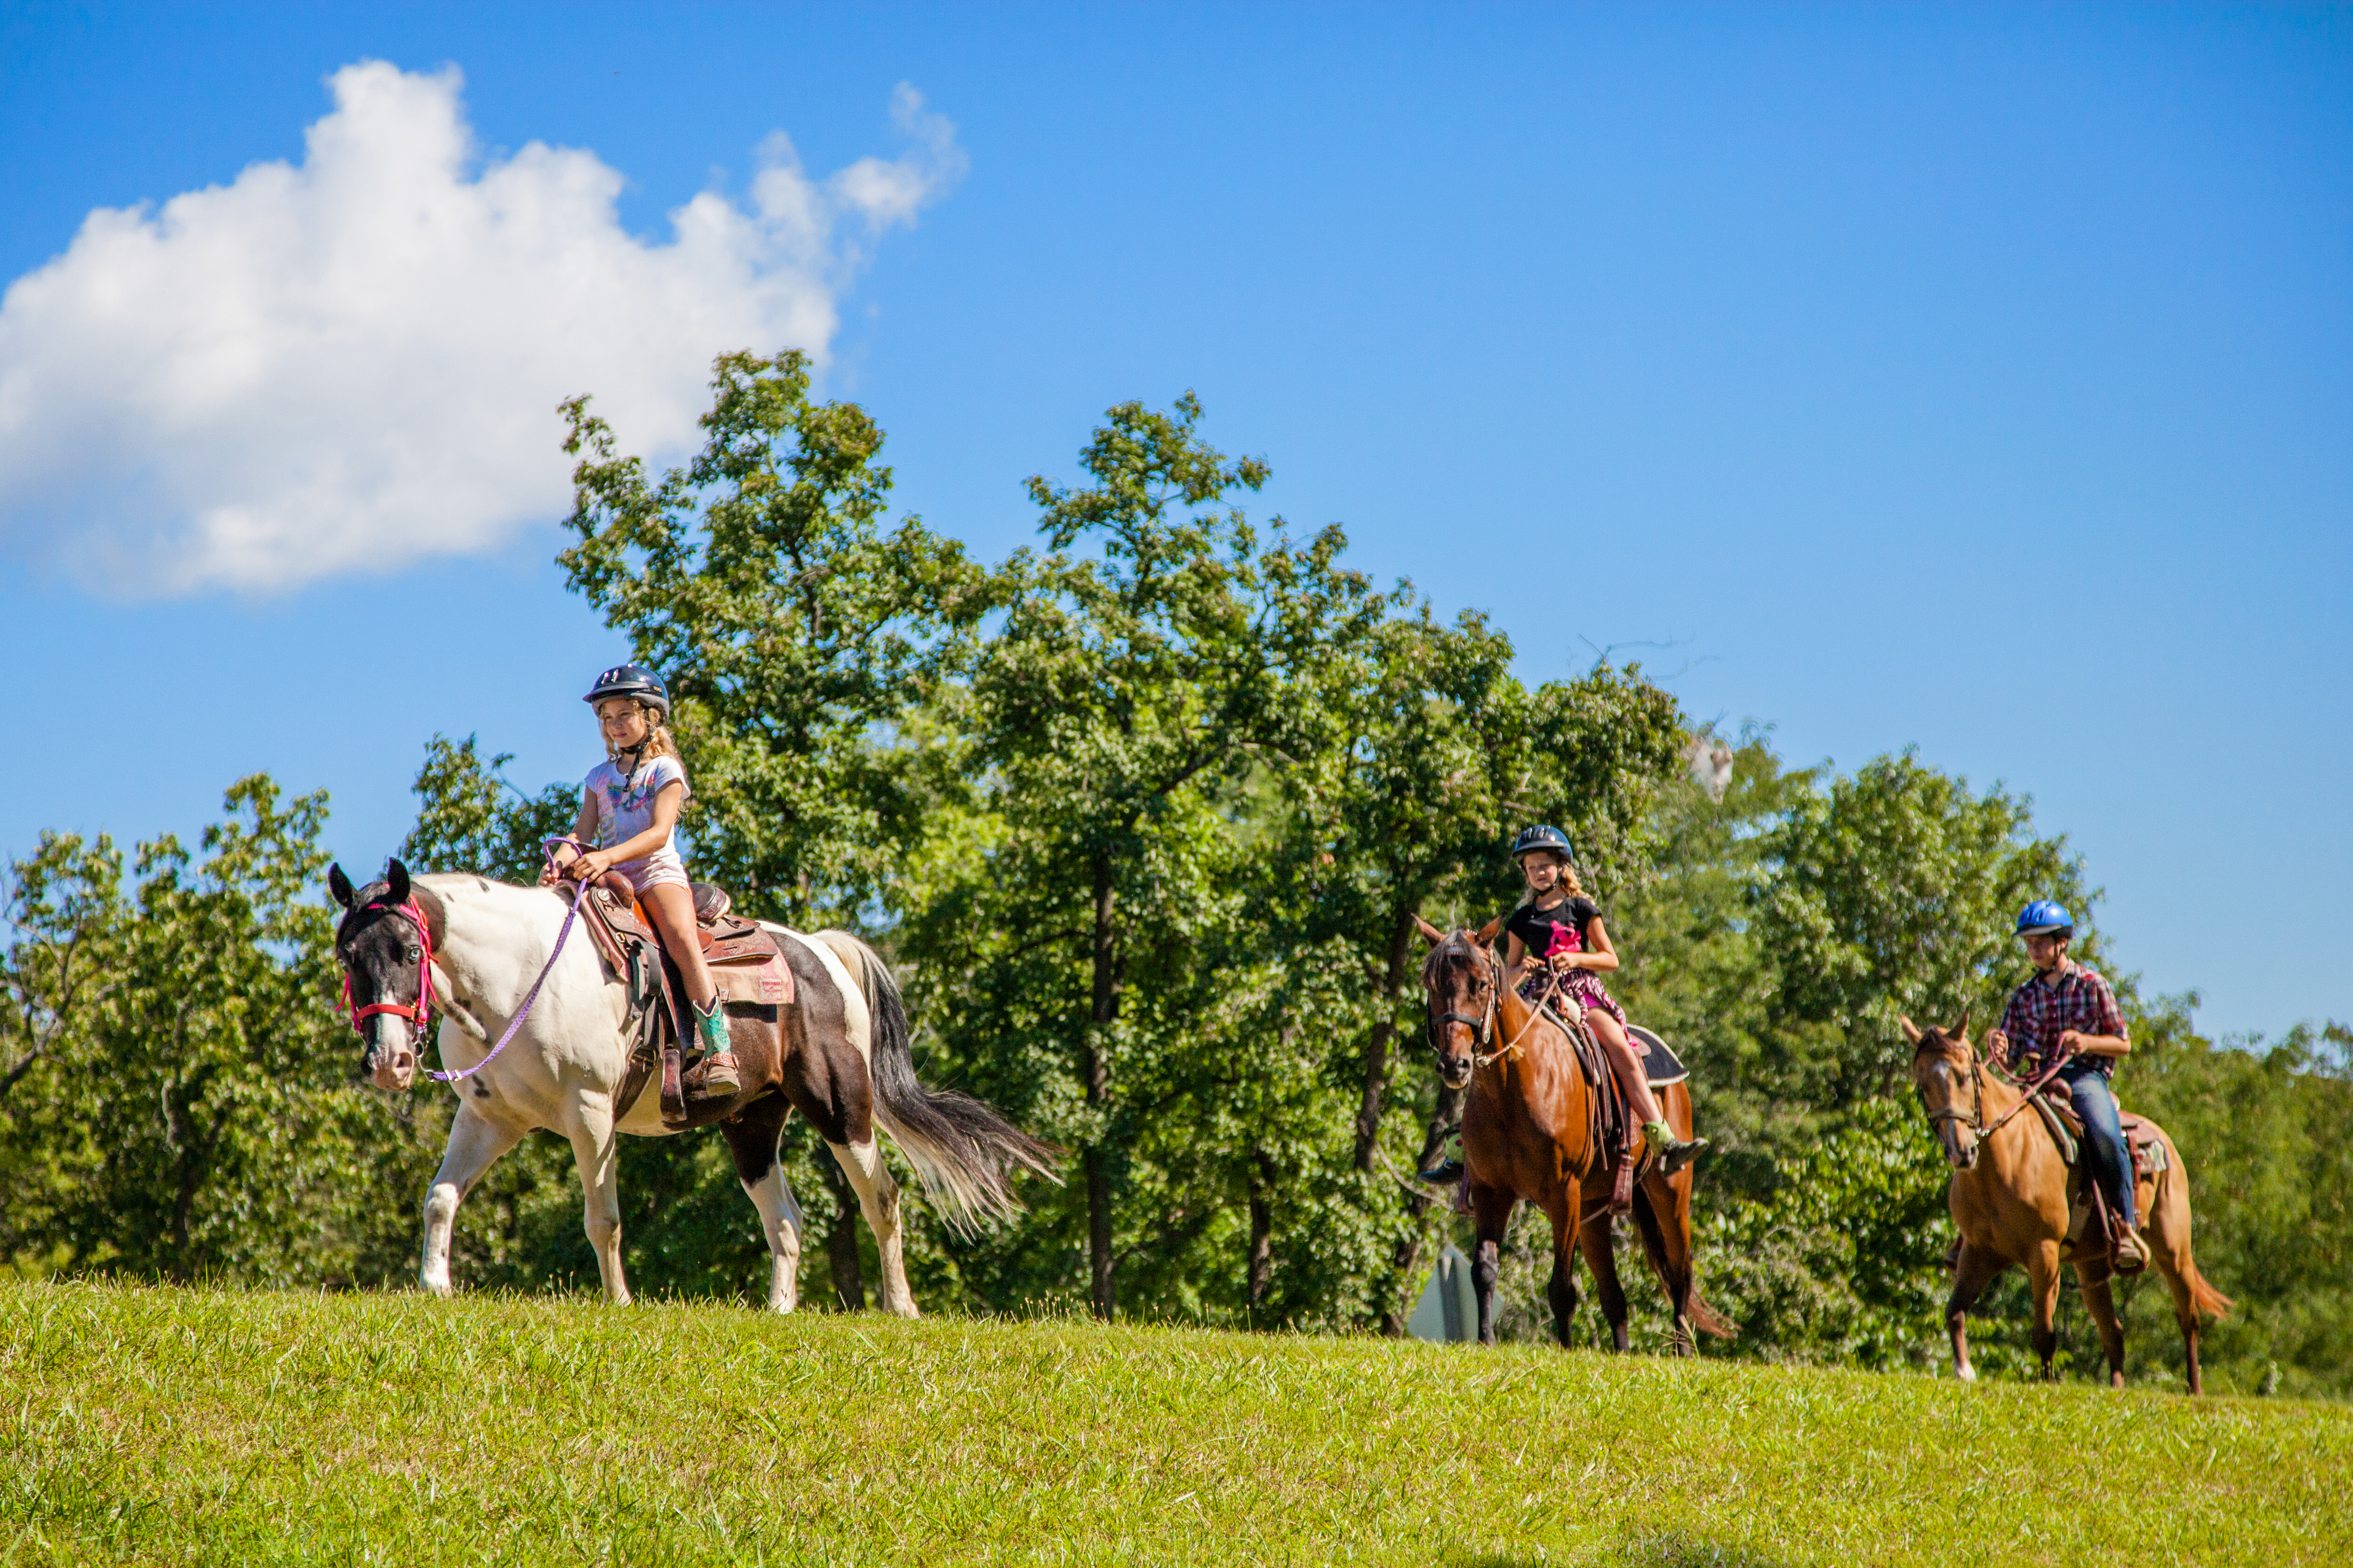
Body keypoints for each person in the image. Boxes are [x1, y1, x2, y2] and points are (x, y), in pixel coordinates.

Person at [1420, 825, 1706, 1183]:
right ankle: (1462, 1148)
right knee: (1488, 1053)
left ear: (1561, 867)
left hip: (1580, 991)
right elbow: (1505, 975)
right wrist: (1520, 971)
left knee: (1620, 1048)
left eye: (1546, 864)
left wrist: (1576, 959)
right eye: (1532, 866)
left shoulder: (1581, 908)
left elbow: (1609, 958)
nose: (1539, 871)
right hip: (1533, 995)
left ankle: (1661, 1136)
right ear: (1524, 872)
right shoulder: (1520, 919)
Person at [545, 665, 737, 1095]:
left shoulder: (665, 770)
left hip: (655, 873)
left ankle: (719, 1049)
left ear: (650, 718)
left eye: (624, 716)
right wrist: (560, 859)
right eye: (607, 719)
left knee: (682, 940)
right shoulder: (597, 778)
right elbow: (582, 833)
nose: (615, 726)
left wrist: (606, 857)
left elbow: (658, 833)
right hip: (607, 876)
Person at [1984, 900, 2141, 1272]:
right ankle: (1974, 1232)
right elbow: (2009, 1060)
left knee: (2104, 1133)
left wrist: (2086, 1043)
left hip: (2084, 1079)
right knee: (1992, 1131)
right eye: (2028, 943)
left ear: (2062, 942)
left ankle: (2124, 1228)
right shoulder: (2022, 996)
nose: (2033, 949)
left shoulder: (2092, 984)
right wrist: (2003, 1049)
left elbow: (2123, 1043)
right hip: (2036, 1082)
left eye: (2040, 941)